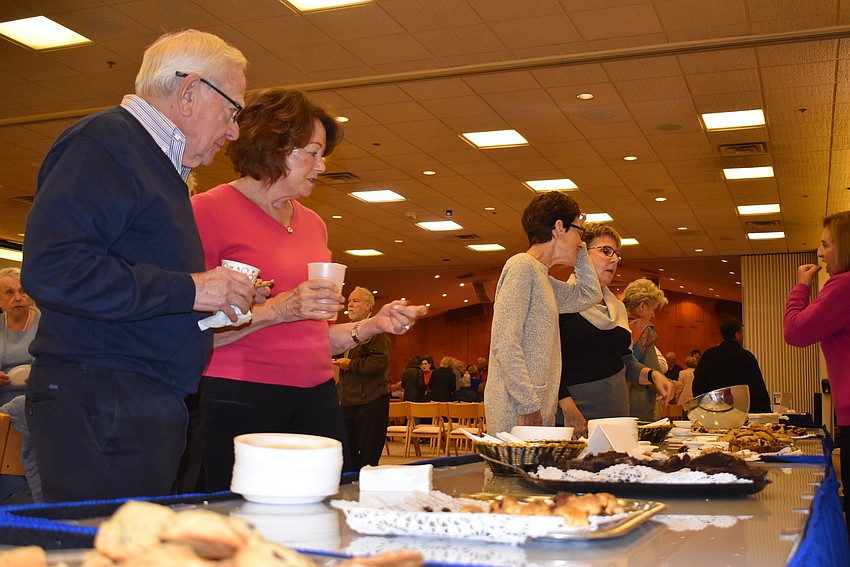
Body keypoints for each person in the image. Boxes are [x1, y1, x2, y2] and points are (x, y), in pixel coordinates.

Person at [21, 30, 266, 502]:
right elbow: (53, 268)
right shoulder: (106, 143)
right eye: (233, 111)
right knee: (109, 539)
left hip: (127, 398)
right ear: (189, 91)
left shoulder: (151, 162)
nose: (234, 131)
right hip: (104, 397)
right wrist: (192, 290)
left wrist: (206, 298)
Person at [190, 88, 426, 489]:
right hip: (238, 394)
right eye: (313, 152)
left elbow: (315, 336)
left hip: (316, 395)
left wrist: (374, 325)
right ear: (275, 148)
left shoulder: (313, 224)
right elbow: (192, 333)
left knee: (326, 502)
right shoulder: (207, 212)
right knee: (243, 513)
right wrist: (278, 309)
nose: (321, 165)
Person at [484, 191, 602, 436]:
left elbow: (590, 294)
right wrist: (527, 403)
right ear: (559, 228)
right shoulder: (521, 266)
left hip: (534, 405)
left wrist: (580, 253)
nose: (580, 240)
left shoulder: (542, 278)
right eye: (579, 231)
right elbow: (505, 341)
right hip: (518, 408)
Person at [558, 223, 677, 437]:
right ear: (581, 254)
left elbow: (626, 362)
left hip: (617, 419)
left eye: (616, 254)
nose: (614, 259)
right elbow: (548, 367)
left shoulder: (617, 308)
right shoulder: (562, 303)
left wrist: (653, 375)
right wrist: (568, 408)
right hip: (575, 421)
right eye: (606, 251)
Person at [784, 210, 850, 512]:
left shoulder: (843, 285)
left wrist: (801, 287)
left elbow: (795, 331)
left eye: (825, 244)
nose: (820, 254)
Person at [333, 287, 391, 470]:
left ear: (368, 306)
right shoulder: (347, 332)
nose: (350, 304)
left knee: (368, 457)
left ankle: (365, 486)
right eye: (349, 301)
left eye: (356, 301)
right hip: (348, 401)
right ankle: (351, 484)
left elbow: (380, 362)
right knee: (347, 453)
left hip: (371, 400)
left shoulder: (376, 331)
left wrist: (351, 364)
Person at [623, 278, 675, 421]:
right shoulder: (644, 329)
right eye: (653, 308)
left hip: (615, 401)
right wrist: (672, 385)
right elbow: (653, 369)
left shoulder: (614, 321)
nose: (653, 315)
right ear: (642, 306)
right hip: (639, 405)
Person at [693, 319, 772, 413]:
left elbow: (698, 385)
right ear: (737, 335)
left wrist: (702, 408)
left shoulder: (708, 355)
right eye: (742, 333)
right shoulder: (745, 356)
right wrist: (765, 411)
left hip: (714, 411)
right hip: (741, 411)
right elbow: (757, 387)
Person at [0, 268, 39, 407]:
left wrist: (43, 375)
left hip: (39, 403)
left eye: (23, 291)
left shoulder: (47, 324)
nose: (18, 298)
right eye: (9, 292)